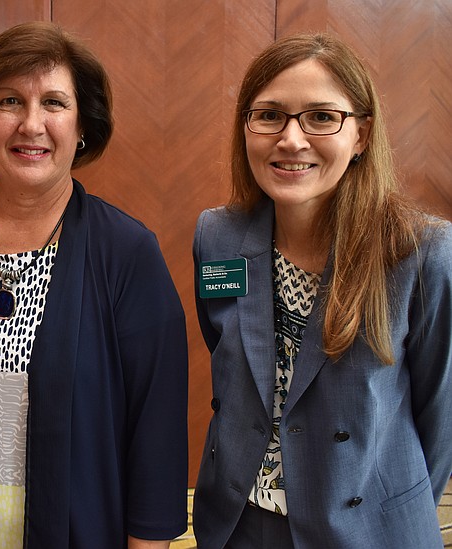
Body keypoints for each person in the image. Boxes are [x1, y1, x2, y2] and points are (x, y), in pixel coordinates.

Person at [0, 21, 188, 549]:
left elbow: (157, 434)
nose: (31, 124)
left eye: (54, 103)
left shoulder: (127, 253)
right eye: (10, 101)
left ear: (82, 126)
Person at [192, 32, 452, 548]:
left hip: (364, 529)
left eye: (320, 116)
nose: (291, 139)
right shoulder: (216, 235)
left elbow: (440, 414)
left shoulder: (421, 253)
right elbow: (226, 352)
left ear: (360, 135)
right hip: (239, 524)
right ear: (246, 127)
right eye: (269, 115)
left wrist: (391, 502)